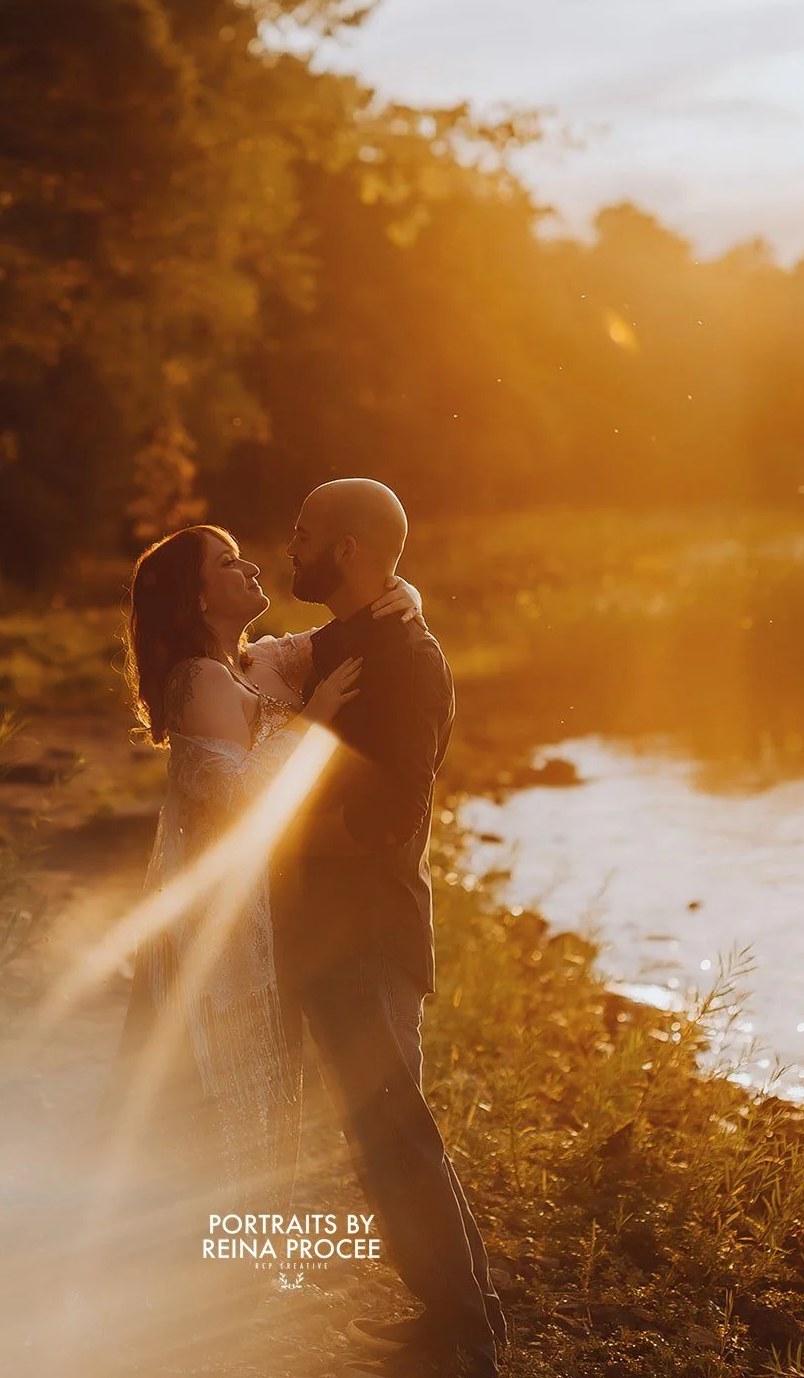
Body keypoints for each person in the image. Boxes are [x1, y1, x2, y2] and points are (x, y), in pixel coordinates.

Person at [116, 523, 423, 1219]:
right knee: (226, 1082)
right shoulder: (196, 680)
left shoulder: (260, 662)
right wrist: (314, 720)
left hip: (274, 903)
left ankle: (240, 1239)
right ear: (198, 599)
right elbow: (236, 802)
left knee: (268, 1080)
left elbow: (353, 624)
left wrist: (404, 591)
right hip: (226, 920)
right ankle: (200, 1243)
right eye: (228, 563)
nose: (251, 567)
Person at [276, 479, 507, 1378]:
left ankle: (467, 1347)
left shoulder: (408, 658)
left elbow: (393, 813)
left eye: (304, 535)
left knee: (396, 1138)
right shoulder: (348, 638)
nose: (290, 548)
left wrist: (285, 840)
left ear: (349, 550)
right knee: (385, 1141)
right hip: (330, 932)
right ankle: (455, 1320)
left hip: (371, 932)